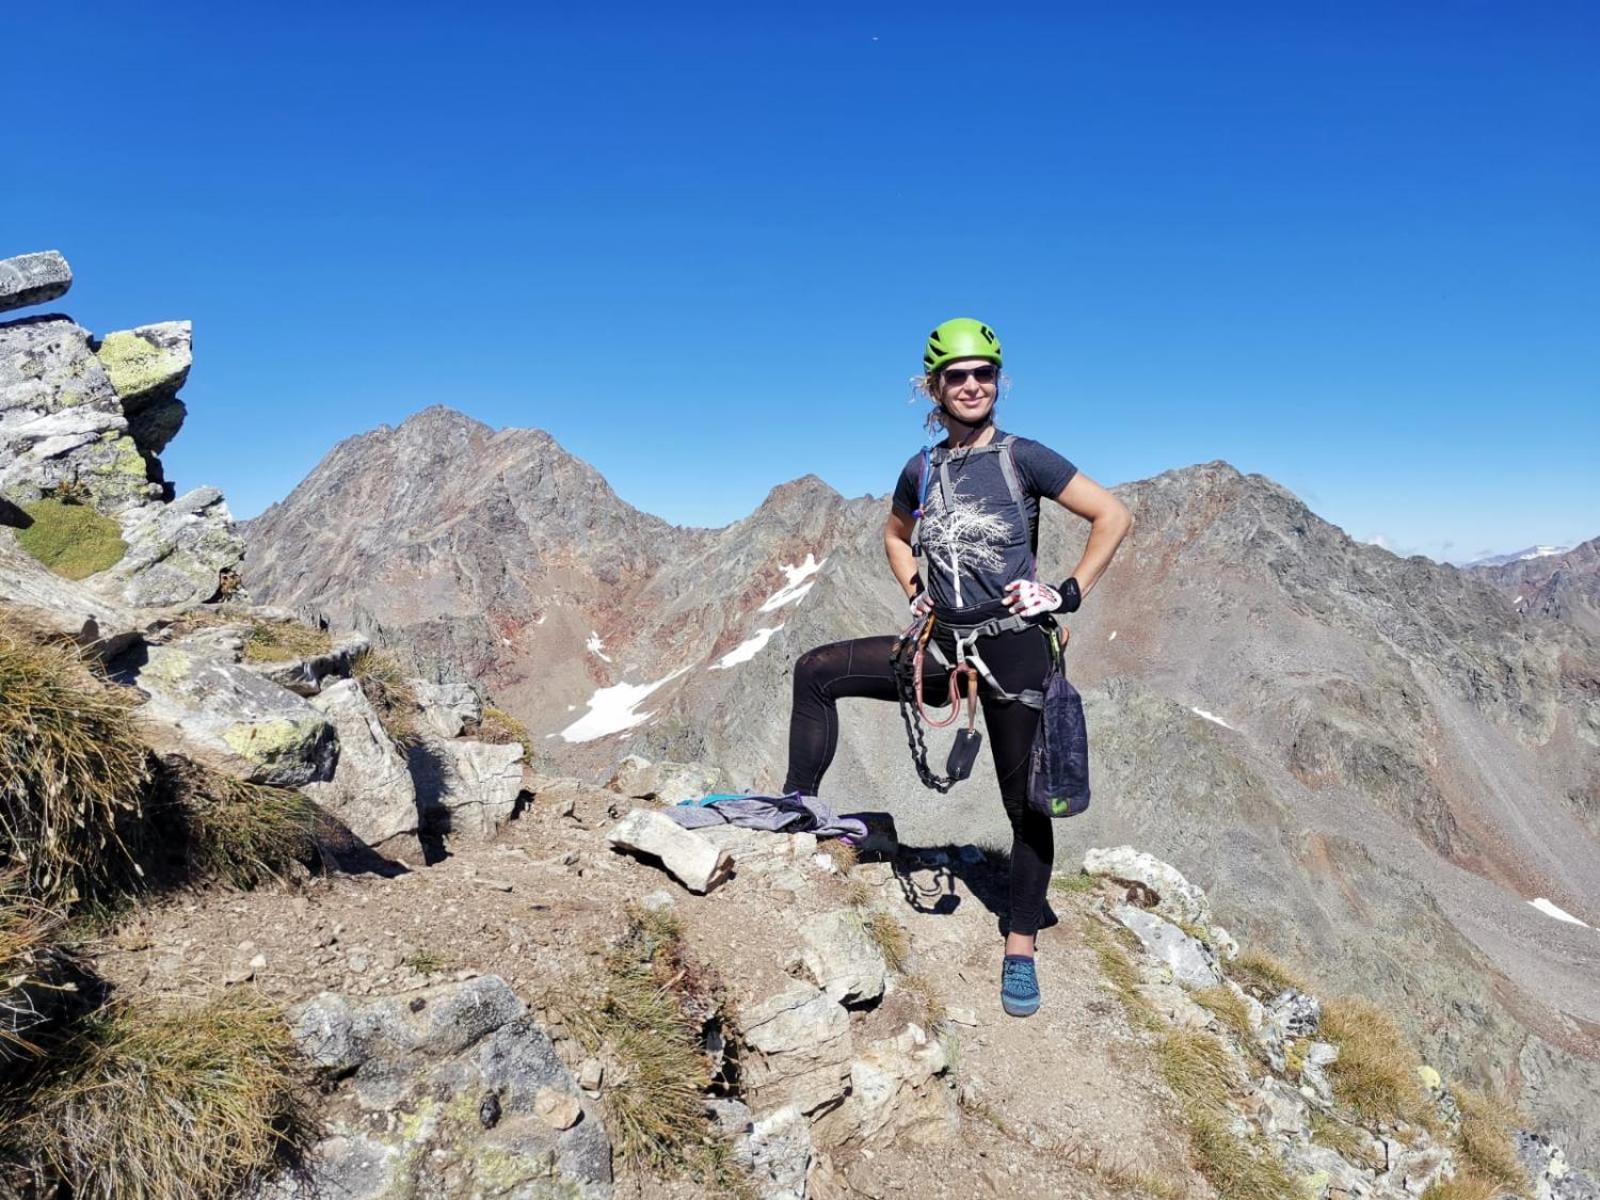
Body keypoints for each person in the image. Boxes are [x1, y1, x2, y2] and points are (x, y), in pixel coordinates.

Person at [781, 317, 1133, 1017]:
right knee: (816, 671)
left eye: (984, 374)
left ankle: (1022, 942)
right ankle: (795, 815)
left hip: (1013, 647)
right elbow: (894, 534)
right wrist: (917, 593)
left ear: (997, 381)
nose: (972, 385)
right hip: (942, 644)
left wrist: (1063, 593)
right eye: (957, 376)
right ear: (933, 389)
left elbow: (1112, 516)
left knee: (1026, 803)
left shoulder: (1023, 458)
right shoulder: (923, 469)